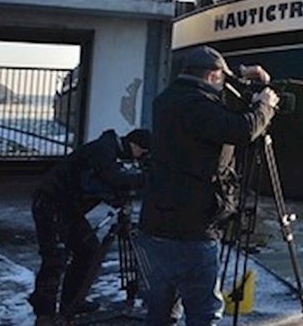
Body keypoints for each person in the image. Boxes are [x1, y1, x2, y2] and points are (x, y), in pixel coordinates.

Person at [138, 45, 279, 326]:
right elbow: (242, 130)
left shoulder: (168, 100)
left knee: (161, 310)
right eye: (222, 78)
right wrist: (265, 106)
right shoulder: (198, 108)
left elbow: (211, 89)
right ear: (213, 77)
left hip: (155, 225)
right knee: (204, 314)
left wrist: (239, 73)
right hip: (192, 229)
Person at [27, 127, 151, 323]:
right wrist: (145, 179)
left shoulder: (108, 151)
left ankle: (73, 302)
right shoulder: (104, 150)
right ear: (134, 144)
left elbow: (101, 183)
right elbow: (112, 179)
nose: (139, 159)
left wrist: (119, 194)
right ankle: (45, 313)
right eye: (142, 153)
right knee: (55, 258)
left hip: (67, 208)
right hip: (52, 204)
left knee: (88, 250)